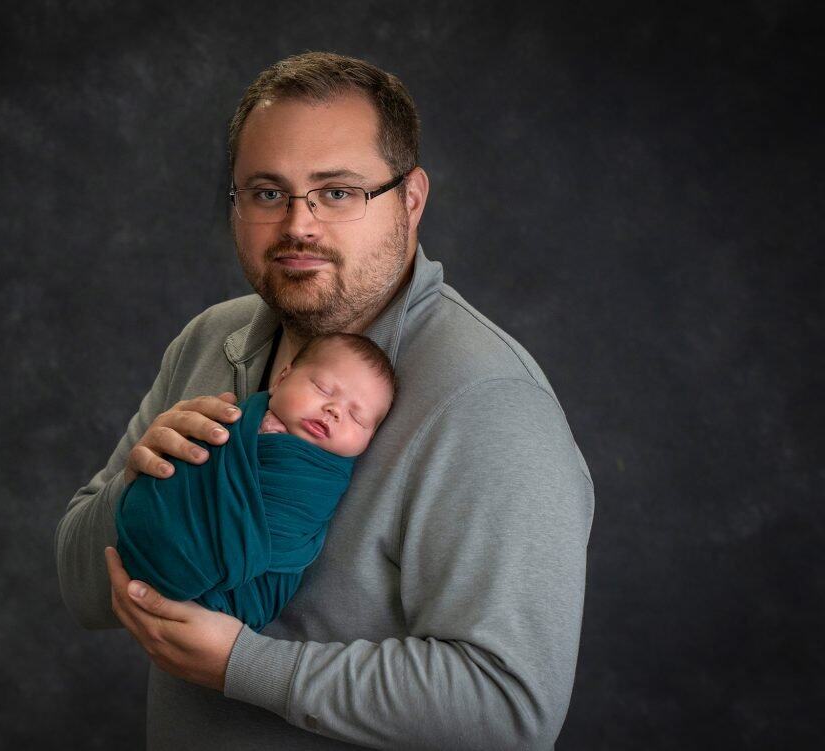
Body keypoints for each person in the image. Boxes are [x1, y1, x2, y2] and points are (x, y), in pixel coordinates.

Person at [55, 51, 595, 750]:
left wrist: (247, 666)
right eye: (267, 192)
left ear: (411, 199)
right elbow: (79, 586)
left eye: (337, 191)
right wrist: (137, 489)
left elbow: (509, 708)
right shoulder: (209, 340)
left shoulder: (488, 401)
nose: (298, 226)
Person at [114, 333, 396, 633]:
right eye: (323, 388)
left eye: (357, 417)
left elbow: (288, 529)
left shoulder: (324, 478)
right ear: (281, 378)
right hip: (160, 529)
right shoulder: (237, 414)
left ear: (368, 443)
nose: (335, 410)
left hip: (235, 601)